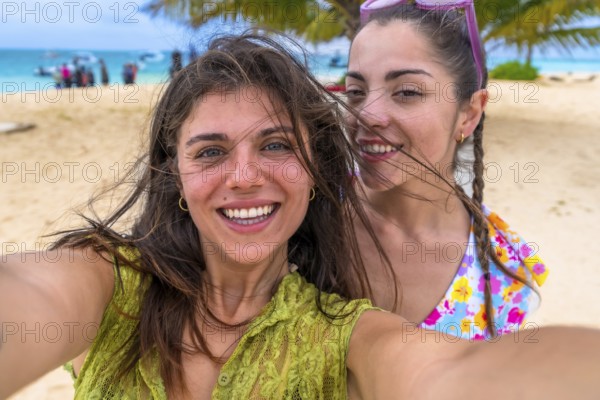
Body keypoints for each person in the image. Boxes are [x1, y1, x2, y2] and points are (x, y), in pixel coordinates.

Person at [1, 33, 600, 400]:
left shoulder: (345, 333)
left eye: (277, 144)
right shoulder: (110, 283)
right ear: (173, 175)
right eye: (210, 151)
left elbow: (453, 373)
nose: (244, 176)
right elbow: (28, 292)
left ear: (316, 172)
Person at [344, 0, 548, 339]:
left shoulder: (504, 274)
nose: (367, 114)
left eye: (406, 92)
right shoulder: (303, 212)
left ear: (468, 114)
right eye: (355, 92)